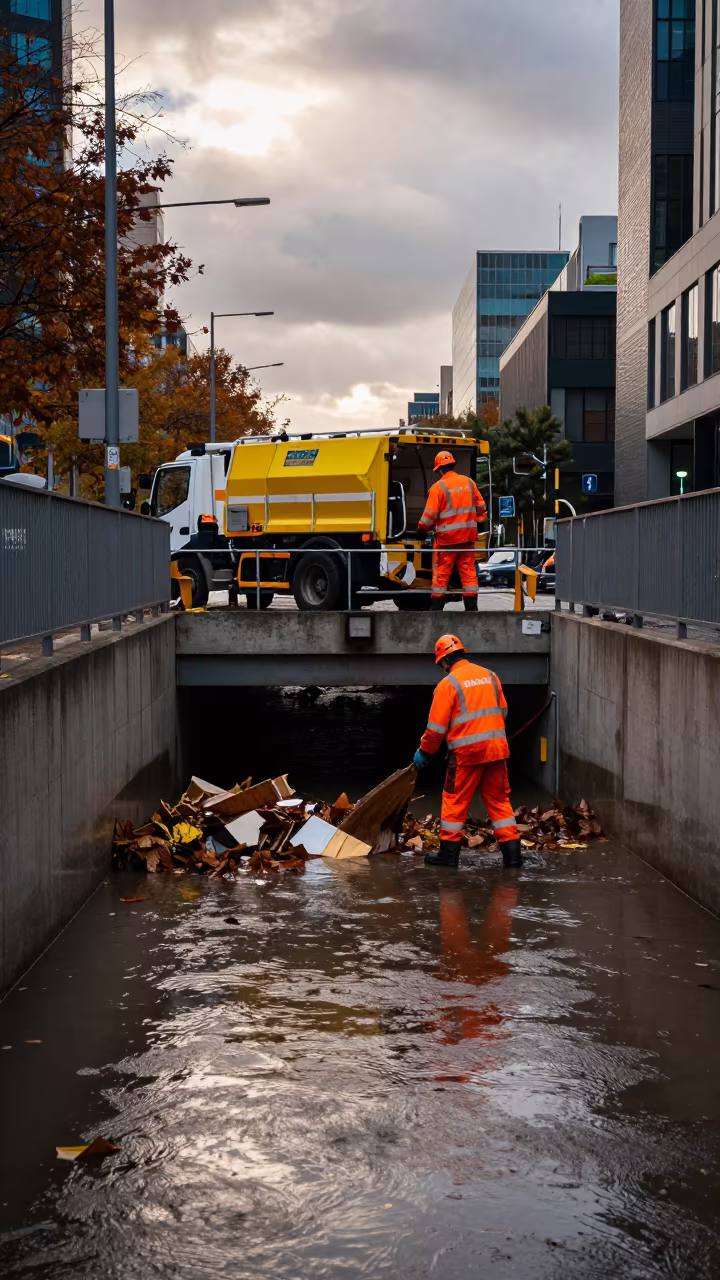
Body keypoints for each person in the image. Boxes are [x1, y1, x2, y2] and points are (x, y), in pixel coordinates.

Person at [413, 634, 522, 869]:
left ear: (444, 661)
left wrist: (424, 752)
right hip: (496, 750)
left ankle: (448, 856)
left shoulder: (448, 685)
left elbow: (435, 730)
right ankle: (513, 857)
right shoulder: (490, 676)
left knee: (454, 801)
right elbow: (502, 711)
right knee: (499, 802)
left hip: (466, 754)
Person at [418, 450, 487, 611]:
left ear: (440, 470)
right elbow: (482, 507)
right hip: (468, 539)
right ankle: (471, 607)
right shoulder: (469, 482)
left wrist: (421, 529)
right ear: (453, 465)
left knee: (442, 574)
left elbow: (429, 516)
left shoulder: (438, 488)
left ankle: (436, 609)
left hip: (447, 541)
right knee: (468, 572)